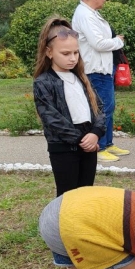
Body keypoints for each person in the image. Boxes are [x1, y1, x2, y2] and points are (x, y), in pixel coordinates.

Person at [32, 16, 105, 197]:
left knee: (85, 193)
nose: (72, 58)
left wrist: (95, 133)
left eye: (76, 52)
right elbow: (52, 119)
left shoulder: (82, 78)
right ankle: (63, 226)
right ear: (49, 52)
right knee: (67, 196)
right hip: (64, 149)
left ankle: (81, 225)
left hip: (88, 144)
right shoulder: (43, 83)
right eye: (65, 54)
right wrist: (82, 141)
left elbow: (100, 109)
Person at [71, 0, 130, 163]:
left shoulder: (91, 13)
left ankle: (109, 143)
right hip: (94, 69)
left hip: (103, 68)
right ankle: (100, 146)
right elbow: (97, 43)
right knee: (101, 109)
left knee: (108, 106)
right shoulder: (84, 15)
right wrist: (117, 42)